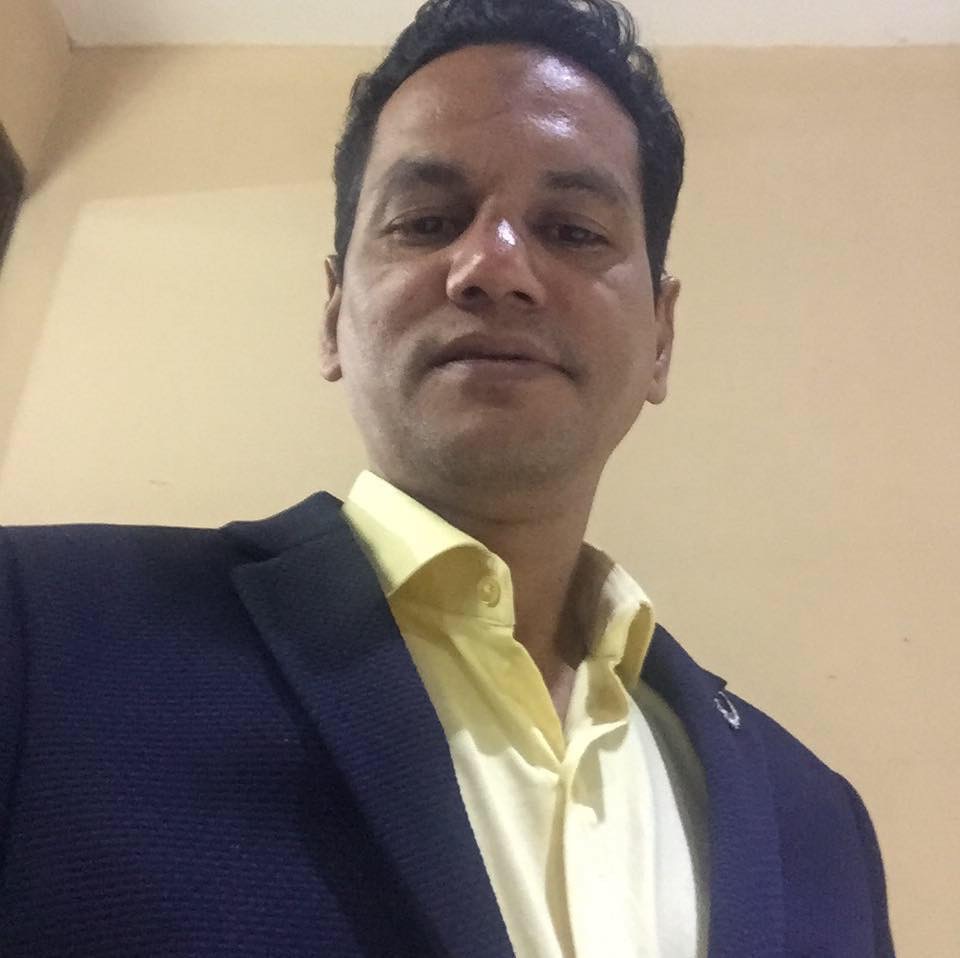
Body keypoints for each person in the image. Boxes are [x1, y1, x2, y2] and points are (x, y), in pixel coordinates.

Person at [0, 1, 894, 955]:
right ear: (334, 314)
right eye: (426, 221)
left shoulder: (820, 825)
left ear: (661, 337)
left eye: (573, 230)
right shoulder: (39, 636)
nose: (493, 268)